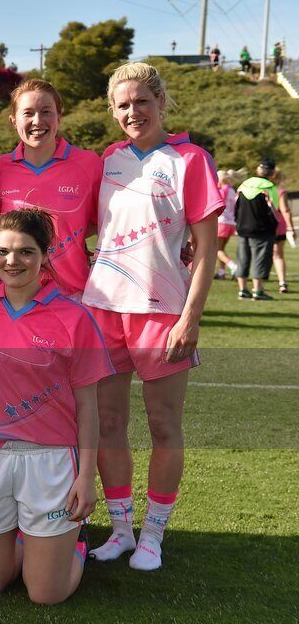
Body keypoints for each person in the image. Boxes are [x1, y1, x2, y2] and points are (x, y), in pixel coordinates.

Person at [83, 62, 222, 571]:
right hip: (103, 309)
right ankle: (121, 529)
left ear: (161, 102)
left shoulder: (191, 159)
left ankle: (153, 536)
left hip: (164, 312)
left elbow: (205, 250)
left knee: (164, 426)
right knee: (110, 423)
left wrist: (191, 317)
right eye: (122, 105)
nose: (132, 112)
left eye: (142, 101)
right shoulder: (109, 160)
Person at [0, 209, 110, 604]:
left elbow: (88, 406)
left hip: (51, 461)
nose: (12, 261)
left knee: (45, 594)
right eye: (2, 251)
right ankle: (36, 542)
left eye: (26, 252)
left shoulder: (73, 317)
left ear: (45, 255)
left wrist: (87, 477)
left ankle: (73, 545)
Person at [0, 79, 102, 300]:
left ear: (59, 116)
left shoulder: (88, 163)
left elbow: (101, 222)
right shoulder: (1, 168)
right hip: (12, 294)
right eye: (28, 113)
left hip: (70, 294)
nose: (37, 121)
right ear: (13, 121)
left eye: (46, 112)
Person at [235, 159, 291, 299]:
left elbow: (236, 207)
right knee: (260, 259)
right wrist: (275, 227)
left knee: (243, 258)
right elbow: (273, 210)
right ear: (272, 173)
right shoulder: (269, 187)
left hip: (242, 228)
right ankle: (258, 291)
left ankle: (242, 290)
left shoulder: (244, 185)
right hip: (262, 230)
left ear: (257, 170)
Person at [270, 169, 295, 292]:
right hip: (278, 227)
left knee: (261, 253)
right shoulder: (280, 192)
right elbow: (285, 210)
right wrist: (291, 228)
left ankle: (257, 283)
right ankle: (282, 283)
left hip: (263, 227)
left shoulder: (263, 190)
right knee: (278, 255)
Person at [215, 169, 239, 280]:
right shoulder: (232, 190)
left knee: (217, 249)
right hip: (231, 223)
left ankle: (233, 267)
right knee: (221, 249)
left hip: (222, 222)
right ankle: (222, 272)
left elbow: (218, 205)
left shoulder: (222, 190)